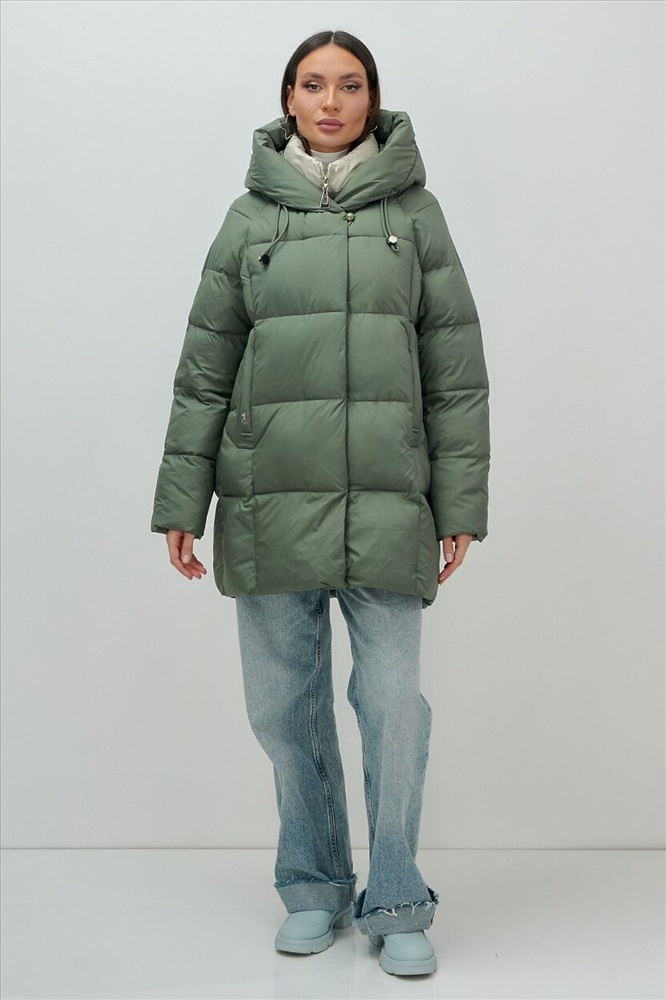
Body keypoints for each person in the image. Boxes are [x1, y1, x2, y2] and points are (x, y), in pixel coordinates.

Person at [151, 29, 490, 978]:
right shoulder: (248, 219)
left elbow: (455, 371)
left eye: (349, 85)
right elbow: (204, 369)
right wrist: (183, 499)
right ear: (289, 99)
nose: (331, 101)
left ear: (372, 99)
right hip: (266, 499)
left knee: (393, 708)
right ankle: (312, 886)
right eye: (313, 84)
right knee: (281, 709)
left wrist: (460, 501)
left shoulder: (415, 216)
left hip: (387, 502)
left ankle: (397, 896)